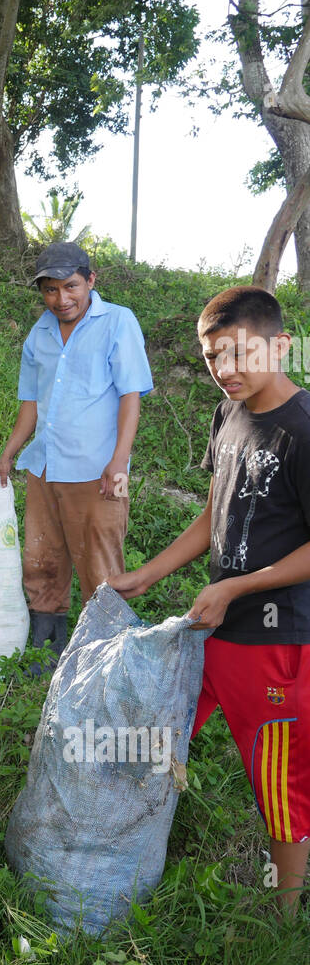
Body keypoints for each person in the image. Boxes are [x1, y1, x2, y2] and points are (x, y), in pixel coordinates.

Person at [111, 285, 310, 914]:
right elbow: (214, 514)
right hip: (211, 633)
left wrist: (236, 587)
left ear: (280, 345)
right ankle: (120, 860)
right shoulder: (231, 414)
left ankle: (284, 912)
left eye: (238, 354)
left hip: (277, 644)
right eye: (211, 358)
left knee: (277, 781)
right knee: (148, 737)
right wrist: (146, 574)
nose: (224, 371)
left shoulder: (303, 430)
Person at [0, 241, 153, 671]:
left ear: (90, 281)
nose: (61, 299)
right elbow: (31, 403)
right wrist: (10, 452)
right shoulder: (39, 333)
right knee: (42, 558)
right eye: (50, 290)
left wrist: (119, 460)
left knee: (99, 564)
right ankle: (48, 648)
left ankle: (104, 658)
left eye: (70, 287)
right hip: (45, 466)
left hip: (97, 471)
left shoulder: (117, 322)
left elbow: (130, 395)